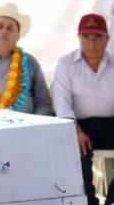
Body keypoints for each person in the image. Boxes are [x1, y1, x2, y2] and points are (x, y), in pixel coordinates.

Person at [52, 13, 114, 205]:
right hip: (79, 125)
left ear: (107, 39)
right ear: (79, 38)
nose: (91, 43)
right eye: (86, 37)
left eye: (97, 37)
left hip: (111, 122)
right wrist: (75, 130)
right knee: (77, 159)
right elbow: (62, 103)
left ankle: (112, 200)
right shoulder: (66, 64)